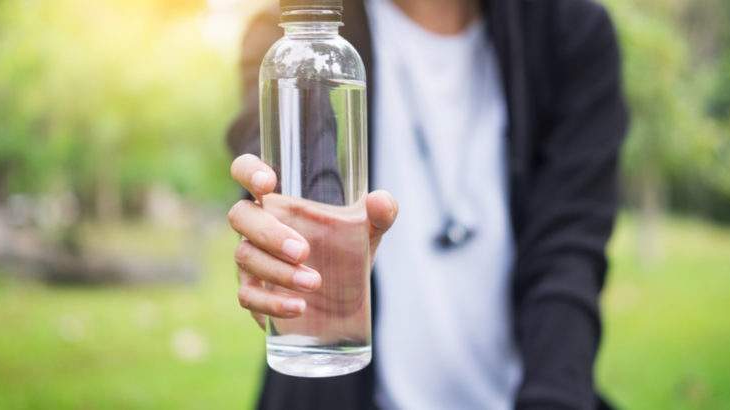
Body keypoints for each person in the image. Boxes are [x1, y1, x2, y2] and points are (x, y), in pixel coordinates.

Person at [226, 0, 628, 408]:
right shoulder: (294, 37)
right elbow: (283, 163)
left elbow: (568, 254)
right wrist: (276, 238)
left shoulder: (571, 33)